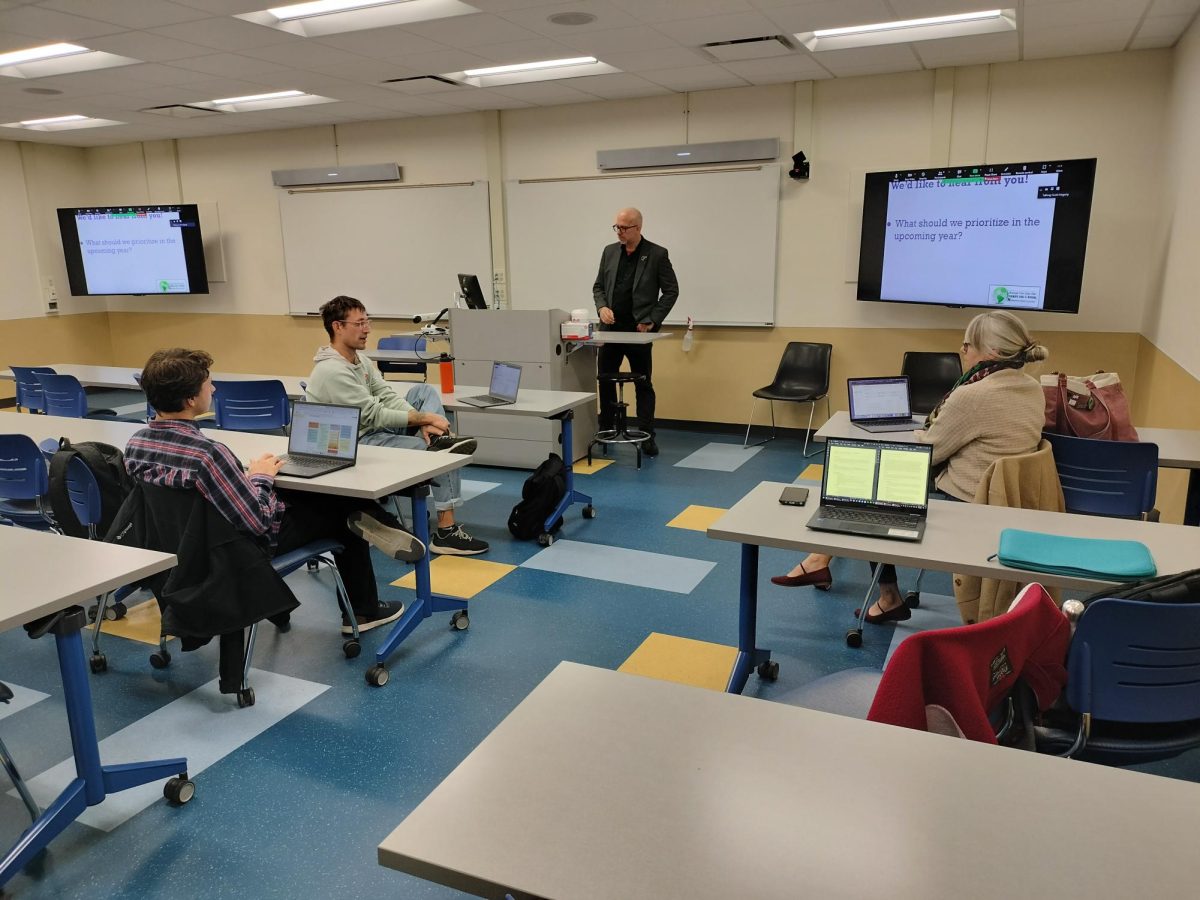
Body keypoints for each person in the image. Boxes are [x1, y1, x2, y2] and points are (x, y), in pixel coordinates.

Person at [772, 311, 1049, 623]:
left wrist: (921, 435)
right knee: (865, 487)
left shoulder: (973, 395)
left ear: (992, 353)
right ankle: (820, 559)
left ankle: (881, 593)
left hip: (969, 500)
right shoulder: (1031, 387)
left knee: (865, 496)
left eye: (967, 346)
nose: (963, 352)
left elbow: (929, 452)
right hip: (1010, 499)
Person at [124, 348, 421, 634]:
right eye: (208, 384)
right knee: (343, 512)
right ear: (190, 399)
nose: (212, 390)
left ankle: (376, 525)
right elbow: (257, 521)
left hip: (179, 550)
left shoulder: (136, 444)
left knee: (306, 495)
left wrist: (242, 479)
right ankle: (364, 609)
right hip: (238, 552)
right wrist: (260, 477)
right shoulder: (209, 454)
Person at [305, 295, 489, 555]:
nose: (367, 329)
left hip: (373, 428)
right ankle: (446, 532)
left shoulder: (360, 360)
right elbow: (373, 414)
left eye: (367, 321)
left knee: (423, 393)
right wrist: (424, 418)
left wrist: (420, 417)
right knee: (444, 455)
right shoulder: (332, 371)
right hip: (356, 442)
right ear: (338, 326)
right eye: (359, 323)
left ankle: (437, 440)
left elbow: (387, 395)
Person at [592, 207, 679, 458]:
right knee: (605, 381)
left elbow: (671, 291)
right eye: (616, 227)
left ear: (638, 228)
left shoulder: (656, 254)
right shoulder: (609, 252)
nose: (619, 232)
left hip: (639, 332)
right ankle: (606, 429)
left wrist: (652, 319)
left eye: (624, 228)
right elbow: (598, 286)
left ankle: (647, 434)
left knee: (643, 383)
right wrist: (602, 307)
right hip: (610, 331)